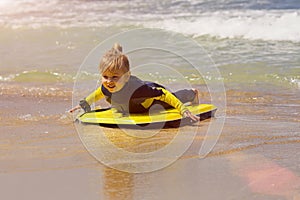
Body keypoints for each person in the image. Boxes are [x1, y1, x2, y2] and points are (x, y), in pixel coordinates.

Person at [69, 43, 199, 122]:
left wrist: (183, 110)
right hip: (133, 103)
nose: (109, 81)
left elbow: (163, 94)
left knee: (172, 100)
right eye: (105, 76)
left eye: (114, 77)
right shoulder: (108, 85)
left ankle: (192, 93)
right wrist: (84, 104)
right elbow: (99, 93)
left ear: (126, 77)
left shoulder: (138, 90)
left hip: (151, 98)